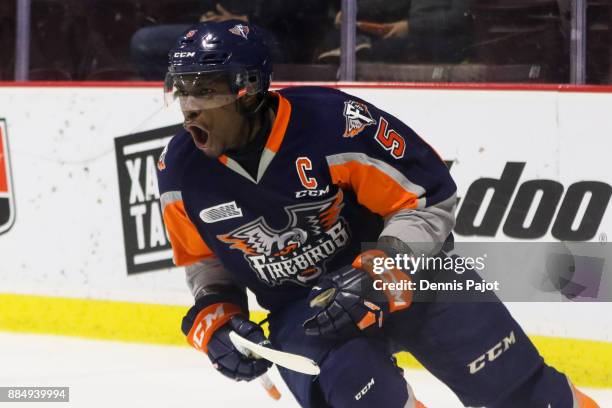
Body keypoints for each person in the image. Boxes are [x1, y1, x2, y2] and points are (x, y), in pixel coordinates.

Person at [156, 20, 600, 407]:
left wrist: (382, 269)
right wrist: (217, 317)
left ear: (249, 90)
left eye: (206, 90)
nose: (190, 106)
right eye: (182, 90)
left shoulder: (333, 123)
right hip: (306, 311)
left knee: (524, 396)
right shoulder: (179, 171)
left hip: (412, 277)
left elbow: (427, 198)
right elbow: (204, 260)